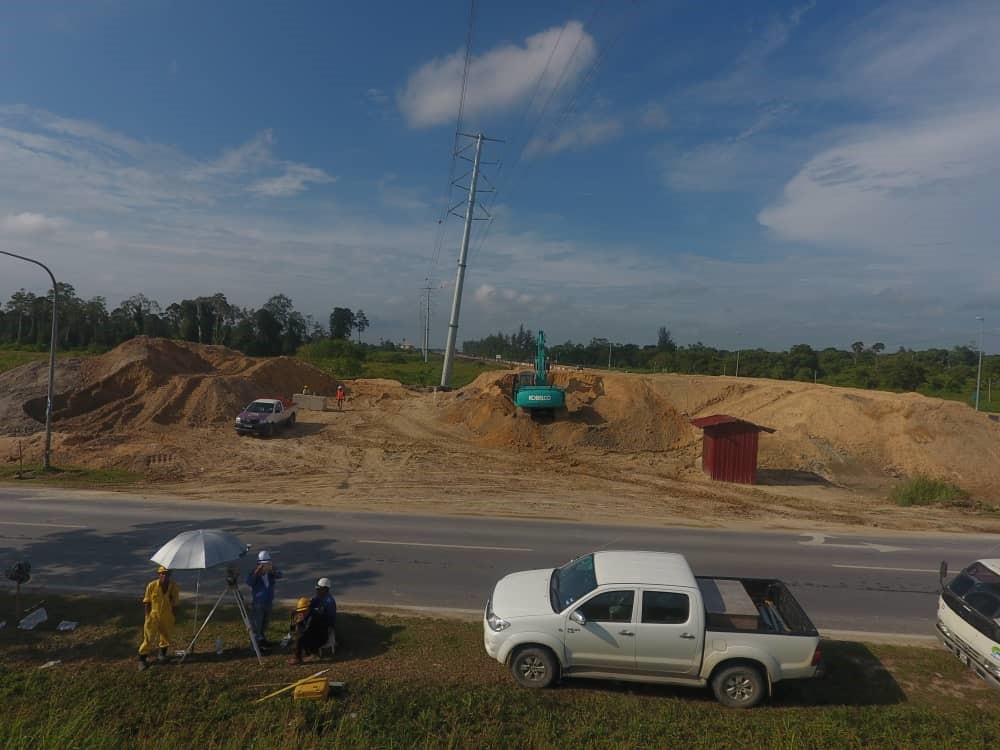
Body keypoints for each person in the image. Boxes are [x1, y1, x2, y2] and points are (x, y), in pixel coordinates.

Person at [138, 566, 180, 671]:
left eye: (167, 574)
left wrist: (173, 615)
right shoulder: (151, 586)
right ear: (159, 574)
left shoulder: (173, 586)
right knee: (149, 638)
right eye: (162, 574)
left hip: (167, 615)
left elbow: (175, 603)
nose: (164, 576)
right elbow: (147, 601)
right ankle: (142, 659)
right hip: (153, 615)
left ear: (170, 575)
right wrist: (147, 616)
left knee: (166, 636)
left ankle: (162, 654)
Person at [246, 549, 282, 646]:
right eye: (263, 564)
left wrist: (272, 570)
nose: (265, 567)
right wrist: (256, 573)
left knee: (265, 622)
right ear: (258, 564)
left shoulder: (271, 573)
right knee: (257, 623)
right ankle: (255, 643)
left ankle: (262, 638)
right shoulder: (254, 573)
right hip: (258, 603)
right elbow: (249, 582)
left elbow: (280, 575)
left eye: (267, 564)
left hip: (268, 601)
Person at [287, 596, 329, 665]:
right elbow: (293, 629)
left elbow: (305, 632)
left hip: (320, 637)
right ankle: (307, 651)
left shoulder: (313, 616)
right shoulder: (308, 614)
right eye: (300, 611)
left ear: (308, 609)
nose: (302, 613)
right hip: (313, 633)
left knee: (300, 637)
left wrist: (299, 623)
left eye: (303, 611)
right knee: (298, 636)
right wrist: (295, 621)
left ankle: (298, 658)